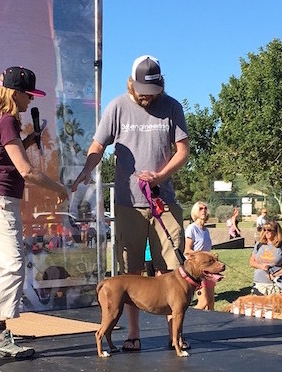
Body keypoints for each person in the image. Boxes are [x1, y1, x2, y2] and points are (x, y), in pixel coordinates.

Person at [71, 55, 189, 352]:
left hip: (164, 203)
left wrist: (161, 175)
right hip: (127, 205)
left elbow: (183, 151)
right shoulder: (117, 107)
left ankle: (174, 337)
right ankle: (133, 334)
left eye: (153, 92)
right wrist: (87, 169)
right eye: (142, 92)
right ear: (131, 85)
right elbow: (98, 145)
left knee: (171, 270)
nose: (147, 97)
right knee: (131, 273)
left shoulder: (172, 107)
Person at [0, 66, 69, 364]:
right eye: (28, 95)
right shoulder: (6, 120)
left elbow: (5, 156)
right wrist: (59, 189)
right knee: (12, 268)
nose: (30, 101)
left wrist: (28, 141)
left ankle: (0, 336)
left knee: (1, 270)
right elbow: (26, 170)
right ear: (15, 92)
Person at [183, 201, 215, 310]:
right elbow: (187, 250)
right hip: (198, 268)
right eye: (200, 208)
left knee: (211, 301)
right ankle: (189, 319)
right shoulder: (192, 228)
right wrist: (204, 254)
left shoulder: (206, 231)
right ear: (195, 211)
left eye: (205, 208)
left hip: (209, 268)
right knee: (203, 302)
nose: (204, 211)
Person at [249, 220, 282, 295]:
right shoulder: (259, 244)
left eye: (269, 230)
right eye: (264, 230)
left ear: (276, 231)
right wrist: (261, 266)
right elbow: (251, 262)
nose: (266, 232)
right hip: (259, 283)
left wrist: (275, 275)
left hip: (276, 283)